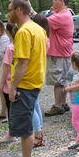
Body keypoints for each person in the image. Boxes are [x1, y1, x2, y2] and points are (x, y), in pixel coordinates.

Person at [5, 0, 47, 157]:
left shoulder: (23, 32)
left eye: (10, 10)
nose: (8, 14)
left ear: (19, 10)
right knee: (26, 125)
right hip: (35, 83)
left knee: (24, 130)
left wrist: (12, 87)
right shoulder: (38, 28)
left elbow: (22, 62)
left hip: (25, 85)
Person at [45, 0, 74, 116]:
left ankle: (57, 106)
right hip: (65, 52)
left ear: (62, 2)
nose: (52, 1)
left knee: (58, 81)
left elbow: (43, 22)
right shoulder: (65, 14)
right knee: (63, 79)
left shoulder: (61, 16)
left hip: (58, 53)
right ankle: (63, 103)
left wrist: (31, 11)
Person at [0, 23, 19, 143]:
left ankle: (12, 133)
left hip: (10, 83)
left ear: (8, 32)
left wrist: (1, 83)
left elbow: (5, 67)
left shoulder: (10, 48)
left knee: (11, 109)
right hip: (21, 81)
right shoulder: (21, 45)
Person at [31, 13, 50, 147]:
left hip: (34, 73)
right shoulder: (45, 36)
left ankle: (38, 136)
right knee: (36, 104)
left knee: (31, 107)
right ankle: (39, 131)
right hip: (40, 72)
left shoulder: (39, 37)